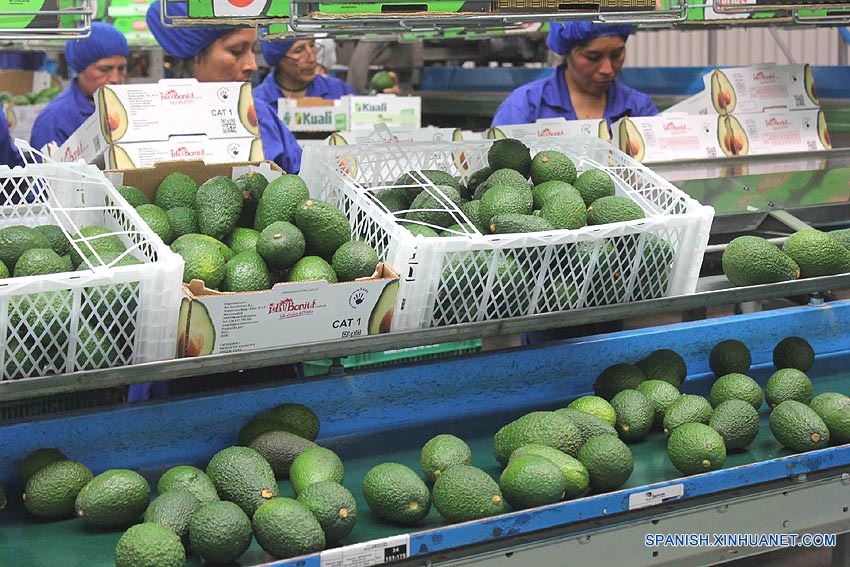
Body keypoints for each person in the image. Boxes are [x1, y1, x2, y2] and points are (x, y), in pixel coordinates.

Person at [146, 1, 302, 174]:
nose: (252, 65)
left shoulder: (260, 115)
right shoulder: (154, 123)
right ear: (195, 56)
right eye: (236, 51)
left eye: (254, 50)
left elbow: (300, 178)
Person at [492, 22, 658, 128]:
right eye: (593, 57)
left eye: (616, 55)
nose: (607, 69)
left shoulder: (638, 108)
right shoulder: (525, 105)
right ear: (567, 53)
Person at [29, 22, 129, 150]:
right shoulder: (56, 120)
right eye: (105, 69)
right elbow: (47, 169)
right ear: (80, 68)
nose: (115, 79)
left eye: (121, 68)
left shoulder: (127, 108)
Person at [253, 38, 355, 107]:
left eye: (312, 45)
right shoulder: (259, 102)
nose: (311, 59)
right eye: (299, 50)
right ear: (278, 59)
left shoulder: (338, 90)